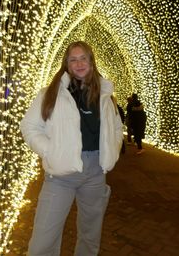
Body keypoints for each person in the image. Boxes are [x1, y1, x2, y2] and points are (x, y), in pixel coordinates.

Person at [20, 41, 123, 256]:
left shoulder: (105, 97)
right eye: (73, 59)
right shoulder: (51, 94)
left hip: (95, 172)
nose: (79, 63)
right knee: (43, 239)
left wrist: (111, 151)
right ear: (66, 64)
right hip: (60, 176)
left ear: (92, 62)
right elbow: (29, 127)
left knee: (90, 235)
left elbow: (116, 128)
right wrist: (51, 151)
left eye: (83, 58)